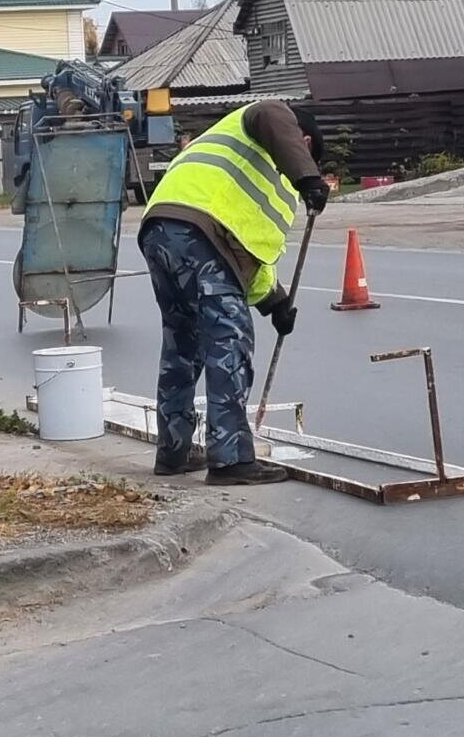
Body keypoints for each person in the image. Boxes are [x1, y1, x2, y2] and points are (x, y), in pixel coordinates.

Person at [138, 101, 330, 486]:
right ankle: (230, 459)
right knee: (228, 340)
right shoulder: (269, 119)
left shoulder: (240, 162)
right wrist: (308, 177)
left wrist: (274, 302)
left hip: (162, 231)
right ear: (302, 142)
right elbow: (272, 113)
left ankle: (173, 452)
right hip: (199, 233)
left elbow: (247, 252)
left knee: (183, 345)